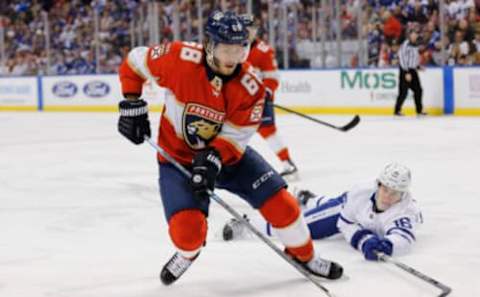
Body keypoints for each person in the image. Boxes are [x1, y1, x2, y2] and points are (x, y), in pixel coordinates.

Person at [117, 11, 343, 285]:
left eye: (240, 49)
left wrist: (214, 158)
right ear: (210, 45)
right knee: (188, 236)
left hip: (229, 160)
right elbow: (134, 63)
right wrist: (132, 103)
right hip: (179, 162)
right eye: (227, 49)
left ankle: (304, 256)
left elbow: (237, 136)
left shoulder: (250, 86)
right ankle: (188, 254)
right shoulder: (178, 58)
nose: (233, 58)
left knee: (285, 207)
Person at [223, 163, 423, 261]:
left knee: (329, 205)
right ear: (378, 184)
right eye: (385, 189)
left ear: (404, 194)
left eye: (395, 193)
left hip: (355, 212)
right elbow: (345, 223)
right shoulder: (361, 193)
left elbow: (403, 238)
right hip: (346, 211)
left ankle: (307, 198)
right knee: (298, 227)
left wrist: (388, 246)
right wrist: (363, 240)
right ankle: (247, 223)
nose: (388, 196)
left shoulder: (405, 210)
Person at [239, 14, 299, 179]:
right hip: (237, 99)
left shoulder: (263, 51)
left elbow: (272, 77)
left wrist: (265, 93)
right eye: (244, 29)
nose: (247, 32)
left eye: (251, 29)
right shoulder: (232, 47)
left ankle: (287, 163)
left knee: (267, 130)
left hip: (259, 99)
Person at [394, 30, 427, 116]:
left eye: (416, 34)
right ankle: (397, 110)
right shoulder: (405, 45)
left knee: (418, 90)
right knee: (403, 92)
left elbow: (414, 58)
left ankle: (419, 110)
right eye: (413, 34)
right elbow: (402, 58)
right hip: (405, 70)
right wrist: (406, 72)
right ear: (409, 35)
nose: (414, 36)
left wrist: (418, 66)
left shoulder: (416, 45)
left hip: (413, 70)